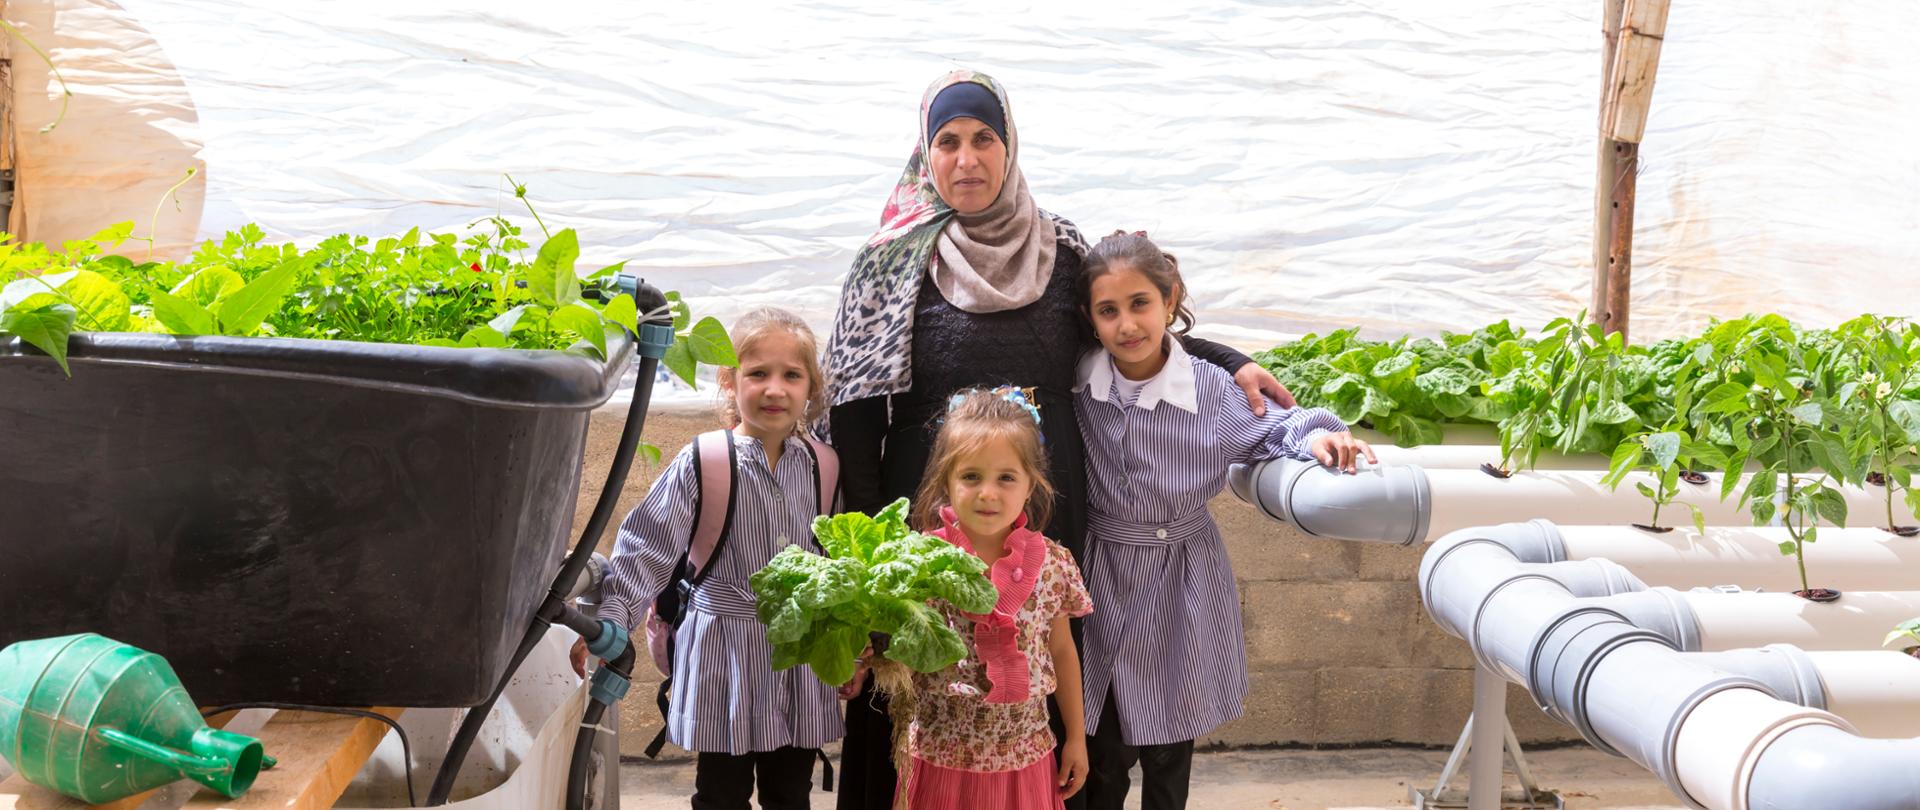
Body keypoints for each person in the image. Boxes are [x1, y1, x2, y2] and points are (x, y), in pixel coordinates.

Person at [823, 68, 1294, 810]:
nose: (967, 159)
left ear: (1011, 147)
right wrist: (878, 552)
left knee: (1039, 665)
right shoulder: (887, 265)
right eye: (948, 142)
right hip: (929, 513)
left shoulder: (1061, 250)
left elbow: (1135, 336)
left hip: (1048, 506)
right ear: (925, 154)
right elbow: (852, 416)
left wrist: (1231, 360)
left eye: (985, 139)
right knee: (922, 687)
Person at [1070, 232, 1373, 810]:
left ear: (1170, 298)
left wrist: (1323, 435)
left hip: (1183, 577)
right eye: (1109, 311)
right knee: (1103, 751)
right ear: (1089, 317)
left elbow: (1279, 427)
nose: (1127, 324)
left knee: (1169, 749)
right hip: (1100, 573)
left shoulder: (1211, 392)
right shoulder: (1079, 384)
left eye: (1141, 304)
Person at [575, 307, 844, 810]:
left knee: (791, 792)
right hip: (725, 654)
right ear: (729, 380)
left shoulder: (823, 467)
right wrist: (610, 624)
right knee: (721, 793)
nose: (774, 389)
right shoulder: (706, 461)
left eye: (792, 375)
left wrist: (849, 649)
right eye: (757, 373)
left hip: (799, 658)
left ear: (811, 386)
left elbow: (840, 567)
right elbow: (645, 549)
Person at [900, 388, 1093, 809]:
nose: (988, 492)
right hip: (939, 761)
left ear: (1031, 486)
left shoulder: (1053, 565)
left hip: (1026, 759)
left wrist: (1076, 738)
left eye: (1006, 477)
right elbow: (894, 652)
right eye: (971, 476)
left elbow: (1062, 651)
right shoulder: (919, 564)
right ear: (946, 483)